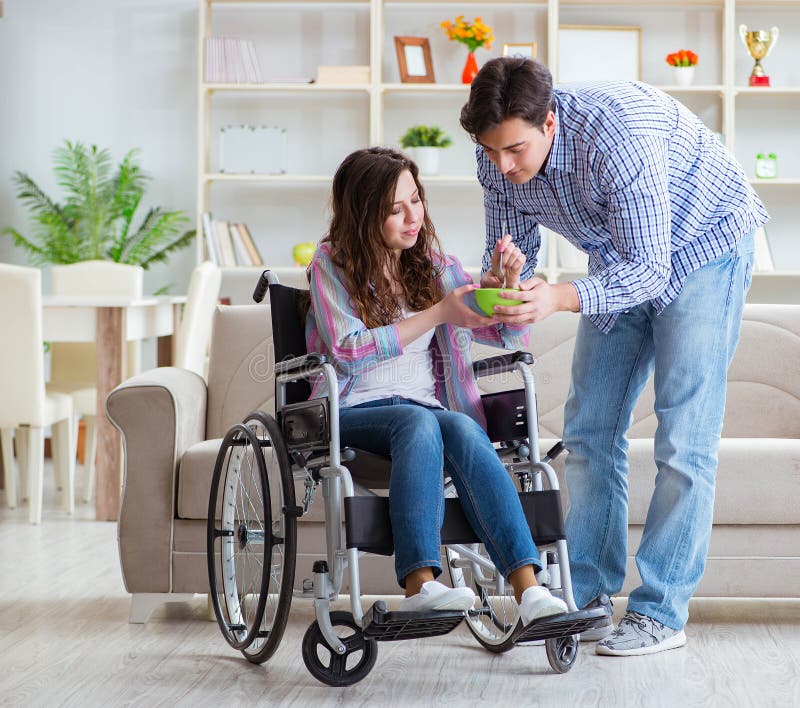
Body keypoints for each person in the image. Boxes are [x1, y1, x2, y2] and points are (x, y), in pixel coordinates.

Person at [459, 57, 767, 656]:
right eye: (492, 151)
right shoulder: (496, 151)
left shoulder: (616, 135)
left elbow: (651, 269)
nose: (503, 164)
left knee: (684, 437)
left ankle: (660, 613)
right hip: (619, 256)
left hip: (704, 244)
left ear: (550, 121)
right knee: (589, 429)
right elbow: (513, 247)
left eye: (516, 149)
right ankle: (590, 599)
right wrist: (510, 277)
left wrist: (558, 296)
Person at [305, 146, 567, 624]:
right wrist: (439, 312)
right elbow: (347, 348)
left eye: (416, 200)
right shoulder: (331, 265)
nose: (413, 217)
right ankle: (420, 583)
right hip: (353, 414)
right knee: (418, 422)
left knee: (464, 429)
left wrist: (506, 289)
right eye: (394, 209)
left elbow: (501, 333)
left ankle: (530, 592)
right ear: (364, 215)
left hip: (424, 415)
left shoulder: (435, 265)